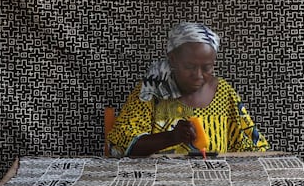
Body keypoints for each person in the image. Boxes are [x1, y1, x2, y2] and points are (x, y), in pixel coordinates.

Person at [107, 22, 269, 157]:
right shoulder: (150, 92)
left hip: (215, 184)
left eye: (206, 68)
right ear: (173, 59)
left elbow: (253, 147)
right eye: (189, 67)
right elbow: (121, 146)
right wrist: (171, 137)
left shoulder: (223, 92)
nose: (198, 75)